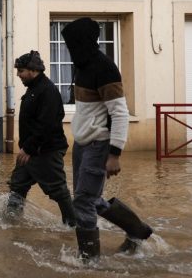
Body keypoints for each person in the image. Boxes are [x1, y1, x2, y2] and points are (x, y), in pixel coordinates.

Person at [61, 18, 153, 261]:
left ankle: (89, 263)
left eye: (73, 43)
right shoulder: (81, 66)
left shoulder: (104, 68)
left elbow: (120, 113)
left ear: (86, 42)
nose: (70, 49)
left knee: (82, 202)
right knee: (88, 198)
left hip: (99, 145)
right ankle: (136, 229)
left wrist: (114, 154)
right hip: (82, 144)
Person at [6, 50, 76, 228]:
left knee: (58, 190)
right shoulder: (34, 89)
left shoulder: (47, 90)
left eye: (21, 71)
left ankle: (73, 226)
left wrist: (29, 148)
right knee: (18, 185)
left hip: (46, 151)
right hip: (30, 151)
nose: (18, 75)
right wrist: (27, 148)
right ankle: (10, 224)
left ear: (32, 70)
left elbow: (47, 125)